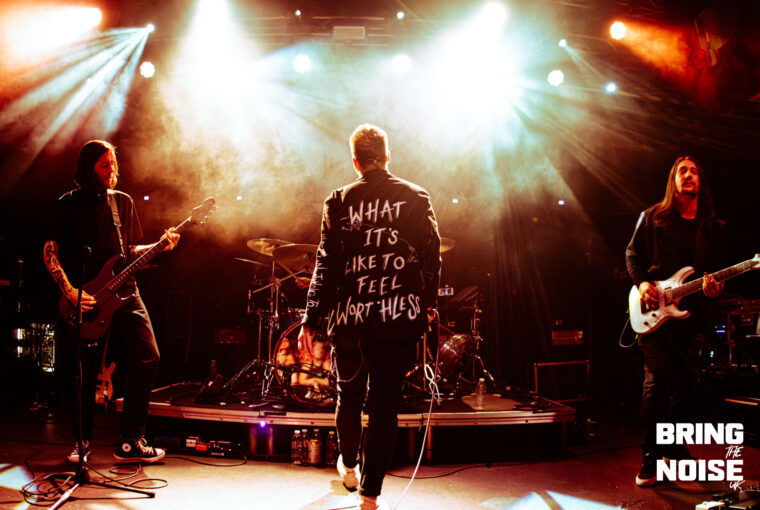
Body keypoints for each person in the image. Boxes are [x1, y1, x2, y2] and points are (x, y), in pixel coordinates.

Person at [298, 124, 441, 510]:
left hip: (352, 322)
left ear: (355, 161)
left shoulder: (339, 200)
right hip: (398, 320)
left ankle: (349, 463)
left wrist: (311, 318)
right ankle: (371, 496)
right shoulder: (416, 197)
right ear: (387, 156)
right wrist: (427, 304)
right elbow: (432, 256)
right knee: (384, 406)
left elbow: (327, 263)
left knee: (348, 396)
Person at [42, 140, 179, 464]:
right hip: (87, 297)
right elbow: (49, 252)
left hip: (126, 291)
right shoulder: (67, 204)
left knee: (148, 356)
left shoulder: (123, 202)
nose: (112, 170)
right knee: (85, 371)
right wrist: (70, 291)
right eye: (105, 165)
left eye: (114, 164)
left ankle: (131, 441)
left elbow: (127, 252)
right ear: (88, 168)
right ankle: (81, 442)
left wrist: (159, 246)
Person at [625, 155, 726, 487]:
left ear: (700, 181)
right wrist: (642, 284)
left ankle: (672, 445)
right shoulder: (652, 217)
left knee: (689, 385)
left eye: (694, 171)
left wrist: (714, 290)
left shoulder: (710, 228)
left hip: (690, 317)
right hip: (653, 311)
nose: (689, 175)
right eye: (683, 170)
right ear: (673, 179)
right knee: (657, 380)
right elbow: (632, 254)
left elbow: (714, 274)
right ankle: (650, 455)